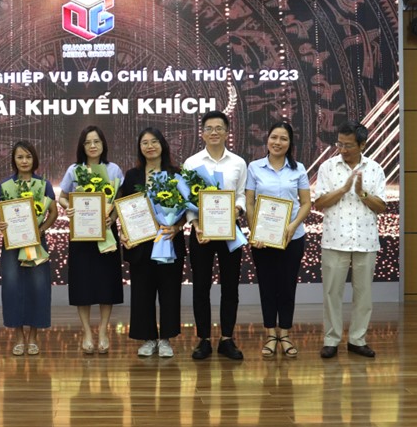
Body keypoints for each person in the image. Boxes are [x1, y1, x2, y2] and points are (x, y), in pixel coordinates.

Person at [315, 121, 387, 359]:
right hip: (334, 240)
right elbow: (319, 202)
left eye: (348, 145)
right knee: (331, 294)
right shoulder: (327, 167)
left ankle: (358, 340)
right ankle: (331, 340)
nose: (342, 149)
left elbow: (381, 206)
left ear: (362, 144)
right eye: (340, 144)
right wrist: (344, 189)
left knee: (363, 294)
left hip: (365, 240)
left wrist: (361, 193)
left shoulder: (375, 168)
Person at [183, 110, 247, 360]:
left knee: (230, 286)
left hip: (230, 230)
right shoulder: (192, 163)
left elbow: (241, 194)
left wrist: (237, 209)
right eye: (209, 128)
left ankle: (227, 339)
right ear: (202, 133)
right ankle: (204, 340)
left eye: (219, 128)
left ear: (227, 132)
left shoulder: (238, 162)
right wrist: (195, 224)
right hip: (201, 231)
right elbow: (187, 199)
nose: (214, 132)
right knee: (201, 286)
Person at [245, 122, 311, 358]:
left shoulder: (298, 169)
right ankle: (271, 334)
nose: (277, 142)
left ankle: (285, 333)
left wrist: (293, 226)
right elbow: (249, 202)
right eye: (274, 137)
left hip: (293, 238)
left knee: (287, 286)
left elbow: (306, 203)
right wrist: (255, 232)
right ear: (267, 139)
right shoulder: (254, 167)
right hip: (263, 240)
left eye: (283, 138)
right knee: (267, 286)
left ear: (290, 143)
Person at [118, 128, 185, 358]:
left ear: (162, 145)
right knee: (142, 293)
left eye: (154, 141)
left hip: (167, 239)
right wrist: (125, 234)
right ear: (140, 148)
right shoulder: (132, 176)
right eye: (144, 143)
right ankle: (148, 338)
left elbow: (187, 209)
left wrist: (177, 227)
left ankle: (166, 339)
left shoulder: (176, 174)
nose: (150, 146)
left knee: (169, 291)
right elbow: (124, 207)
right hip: (141, 243)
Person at [58, 126, 124, 355]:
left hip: (106, 232)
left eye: (97, 141)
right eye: (88, 142)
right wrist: (69, 208)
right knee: (82, 284)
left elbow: (120, 200)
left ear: (103, 144)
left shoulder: (114, 169)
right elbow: (62, 197)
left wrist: (112, 219)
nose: (93, 146)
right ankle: (87, 332)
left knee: (107, 283)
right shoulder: (74, 170)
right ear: (82, 146)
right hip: (82, 234)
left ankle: (103, 330)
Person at [0, 141, 58, 356]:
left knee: (38, 287)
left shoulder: (44, 185)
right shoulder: (5, 186)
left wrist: (41, 230)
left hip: (36, 243)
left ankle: (33, 336)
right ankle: (18, 336)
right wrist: (0, 223)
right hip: (11, 245)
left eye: (28, 157)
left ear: (34, 159)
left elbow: (53, 212)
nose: (24, 161)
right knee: (12, 288)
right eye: (20, 157)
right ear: (14, 160)